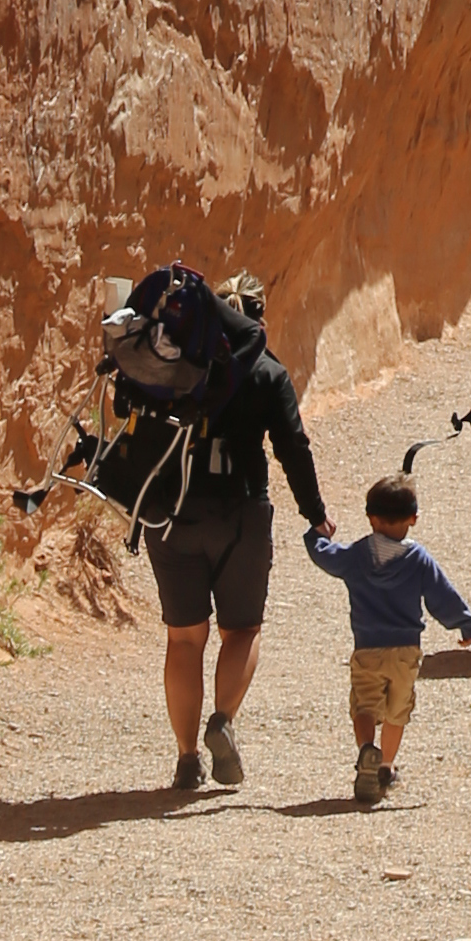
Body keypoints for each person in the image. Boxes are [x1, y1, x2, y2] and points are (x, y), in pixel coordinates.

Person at [137, 271, 335, 792]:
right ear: (259, 318)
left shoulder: (173, 359)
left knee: (184, 639)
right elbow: (293, 447)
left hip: (171, 513)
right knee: (241, 630)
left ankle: (185, 759)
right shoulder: (267, 371)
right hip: (240, 513)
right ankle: (222, 721)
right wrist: (314, 511)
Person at [311, 473, 471, 803]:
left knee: (364, 705)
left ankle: (365, 752)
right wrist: (464, 623)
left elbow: (325, 556)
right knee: (396, 711)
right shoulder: (418, 559)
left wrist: (315, 535)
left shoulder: (357, 555)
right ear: (414, 518)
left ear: (370, 517)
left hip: (367, 648)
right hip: (406, 651)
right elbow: (441, 596)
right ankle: (386, 765)